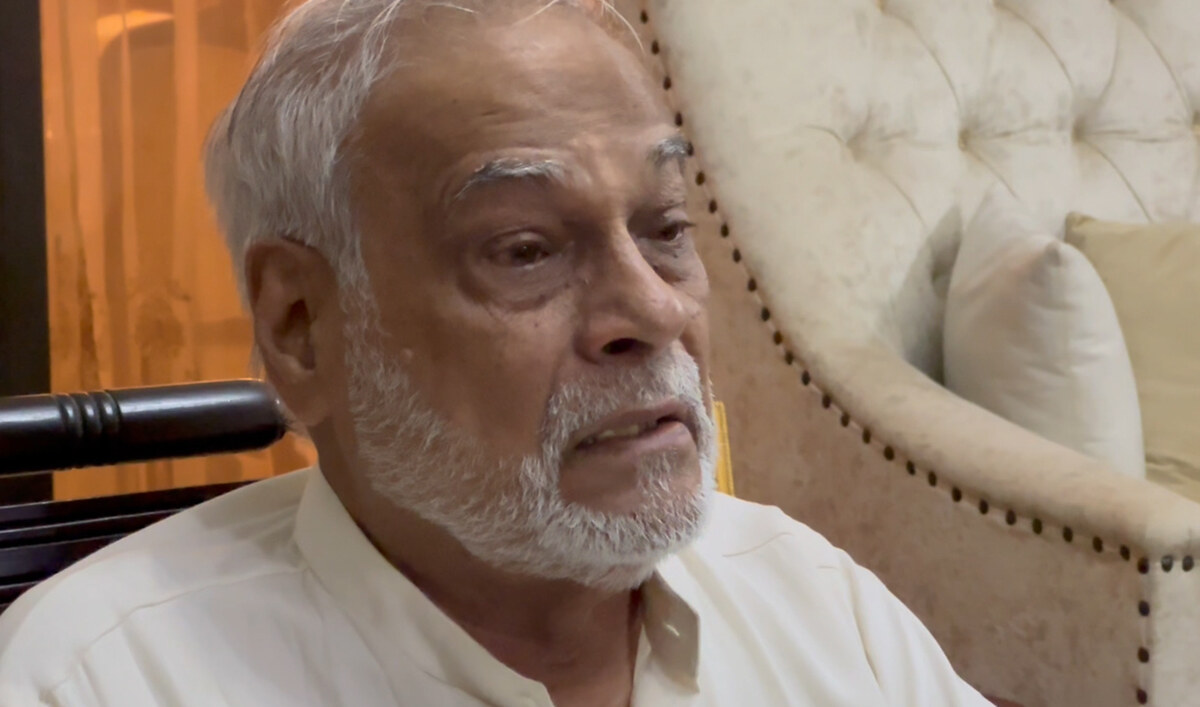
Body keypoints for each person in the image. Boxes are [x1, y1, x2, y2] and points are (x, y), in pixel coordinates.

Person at [0, 1, 994, 705]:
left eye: (665, 228)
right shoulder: (89, 678)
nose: (654, 309)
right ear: (301, 323)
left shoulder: (816, 604)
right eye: (526, 249)